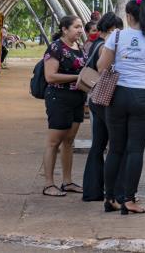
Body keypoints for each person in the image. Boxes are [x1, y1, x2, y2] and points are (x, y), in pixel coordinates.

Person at [96, 0, 145, 214]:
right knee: (135, 150)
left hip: (117, 96)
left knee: (115, 149)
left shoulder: (116, 36)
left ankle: (110, 198)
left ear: (128, 16)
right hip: (142, 98)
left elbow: (101, 67)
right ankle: (128, 199)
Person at [41, 15, 87, 197]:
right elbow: (50, 76)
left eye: (81, 27)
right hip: (59, 98)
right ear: (64, 29)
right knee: (54, 142)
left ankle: (67, 182)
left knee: (69, 141)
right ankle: (48, 184)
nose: (80, 30)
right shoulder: (55, 48)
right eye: (76, 27)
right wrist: (78, 78)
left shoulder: (80, 48)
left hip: (77, 98)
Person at [82, 12, 124, 202]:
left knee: (97, 146)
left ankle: (92, 191)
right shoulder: (105, 47)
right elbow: (107, 68)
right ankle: (114, 191)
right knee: (115, 147)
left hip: (95, 97)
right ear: (112, 29)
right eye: (119, 29)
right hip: (106, 98)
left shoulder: (94, 44)